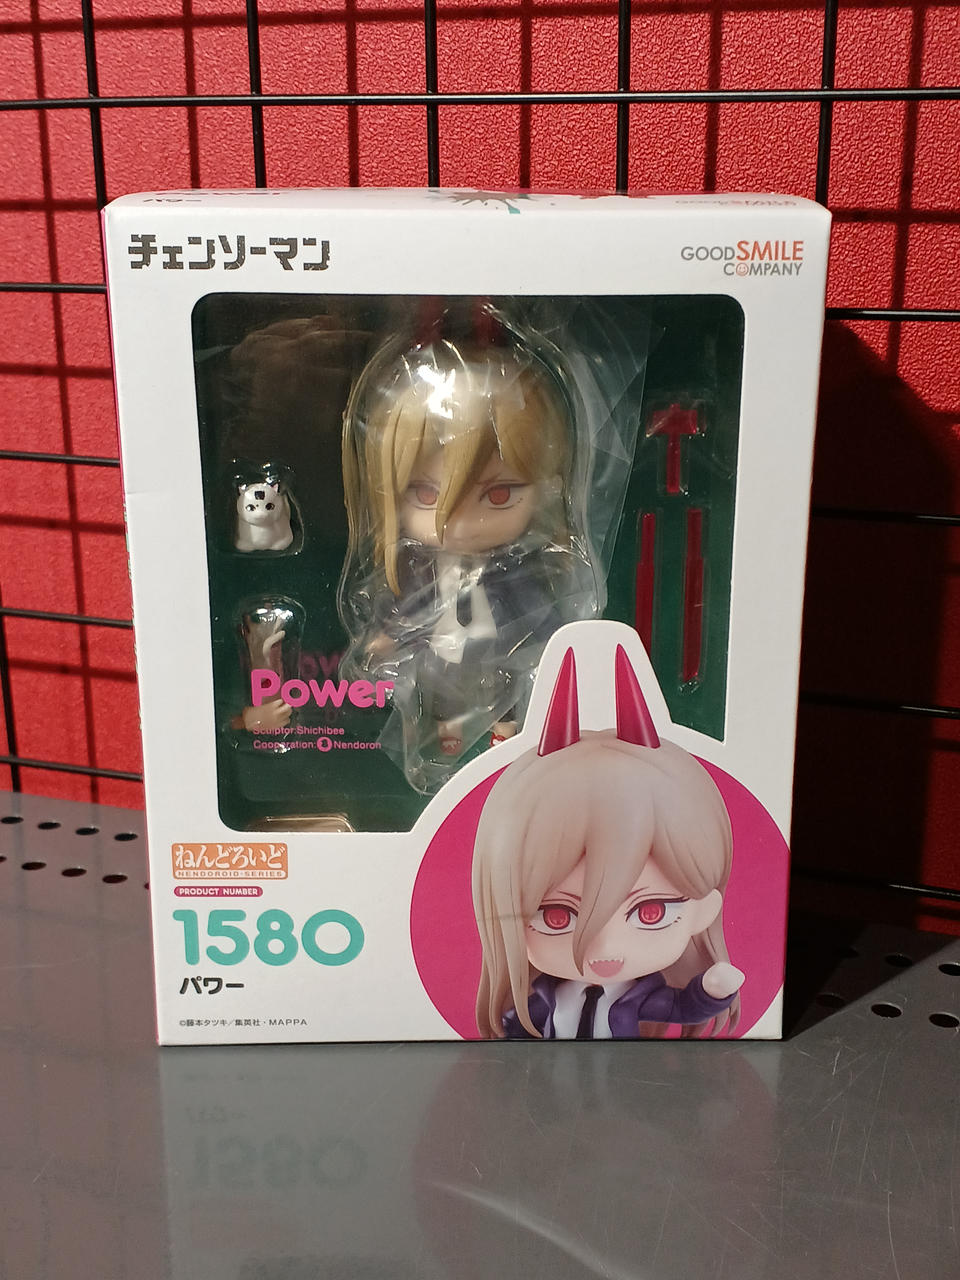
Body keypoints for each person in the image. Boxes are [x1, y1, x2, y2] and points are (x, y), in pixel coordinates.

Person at [338, 317, 598, 792]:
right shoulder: (419, 569)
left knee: (506, 702)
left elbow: (536, 611)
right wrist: (387, 636)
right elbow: (407, 604)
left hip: (498, 656)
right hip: (438, 660)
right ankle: (446, 747)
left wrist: (554, 643)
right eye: (425, 493)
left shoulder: (513, 572)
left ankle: (506, 746)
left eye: (498, 495)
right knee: (440, 704)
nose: (456, 523)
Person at [472, 646, 743, 1039]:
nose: (603, 947)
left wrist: (712, 991)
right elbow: (517, 1026)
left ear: (704, 909)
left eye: (651, 911)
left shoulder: (638, 998)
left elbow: (683, 1008)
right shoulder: (546, 998)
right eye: (556, 916)